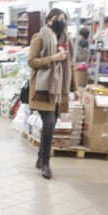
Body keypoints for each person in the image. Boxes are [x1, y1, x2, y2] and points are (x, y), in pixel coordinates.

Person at [27, 9, 76, 179]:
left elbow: (71, 65)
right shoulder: (40, 37)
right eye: (57, 19)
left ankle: (41, 158)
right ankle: (46, 163)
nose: (60, 22)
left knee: (52, 123)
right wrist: (53, 58)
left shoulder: (67, 40)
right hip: (43, 89)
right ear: (48, 20)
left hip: (59, 89)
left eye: (63, 19)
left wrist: (74, 89)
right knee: (48, 123)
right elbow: (32, 61)